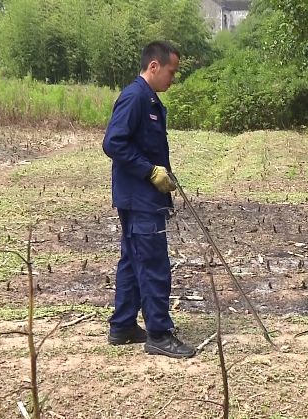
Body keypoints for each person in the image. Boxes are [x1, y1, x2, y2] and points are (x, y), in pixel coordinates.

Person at [102, 41, 195, 359]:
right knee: (153, 263)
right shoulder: (136, 97)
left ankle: (123, 326)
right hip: (139, 197)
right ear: (153, 66)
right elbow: (113, 143)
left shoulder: (150, 99)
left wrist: (161, 172)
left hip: (143, 196)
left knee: (132, 260)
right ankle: (158, 334)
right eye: (171, 71)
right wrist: (150, 171)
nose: (173, 78)